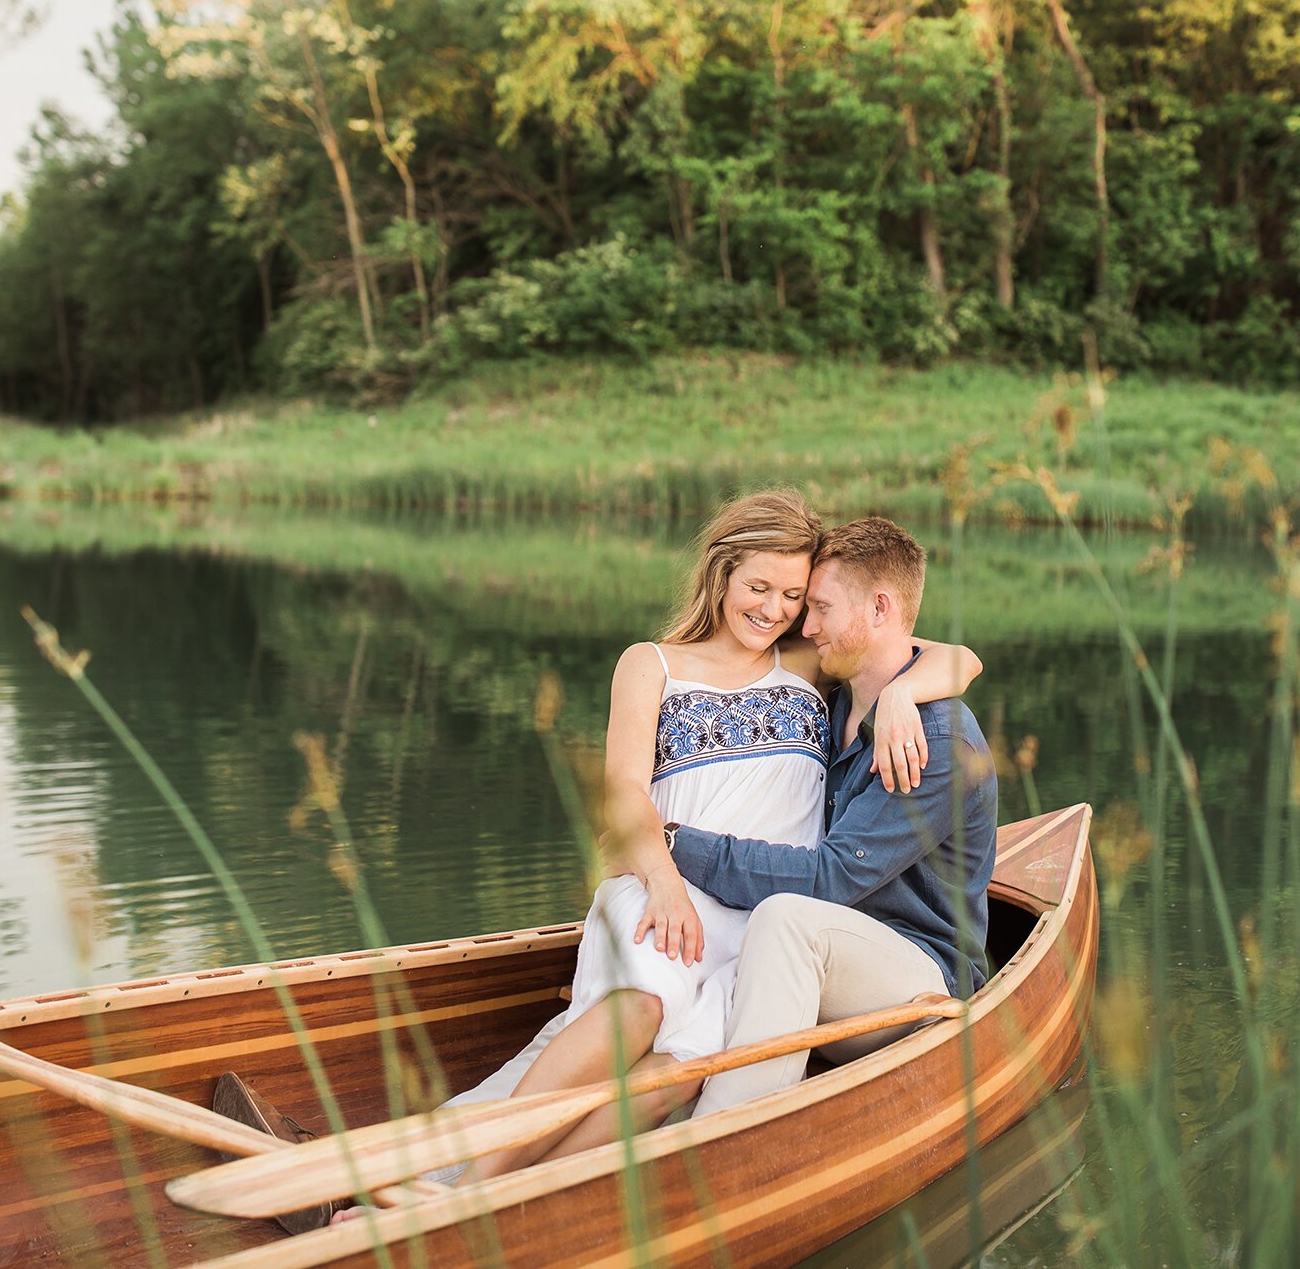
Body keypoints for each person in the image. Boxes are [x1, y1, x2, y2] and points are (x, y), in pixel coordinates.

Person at [319, 490, 982, 1216]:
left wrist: (903, 693)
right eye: (759, 587)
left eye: (795, 596)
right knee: (638, 1009)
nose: (776, 610)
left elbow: (946, 653)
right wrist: (664, 878)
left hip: (762, 918)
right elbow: (624, 797)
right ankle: (465, 1183)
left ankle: (494, 1203)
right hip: (668, 882)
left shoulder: (808, 665)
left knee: (675, 1077)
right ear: (720, 573)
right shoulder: (653, 663)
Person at [665, 515, 999, 1119]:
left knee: (788, 921)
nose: (804, 625)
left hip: (921, 979)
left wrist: (676, 844)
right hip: (830, 957)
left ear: (878, 607)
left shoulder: (938, 742)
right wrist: (898, 690)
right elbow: (957, 657)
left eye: (819, 608)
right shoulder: (836, 694)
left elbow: (829, 880)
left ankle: (724, 1141)